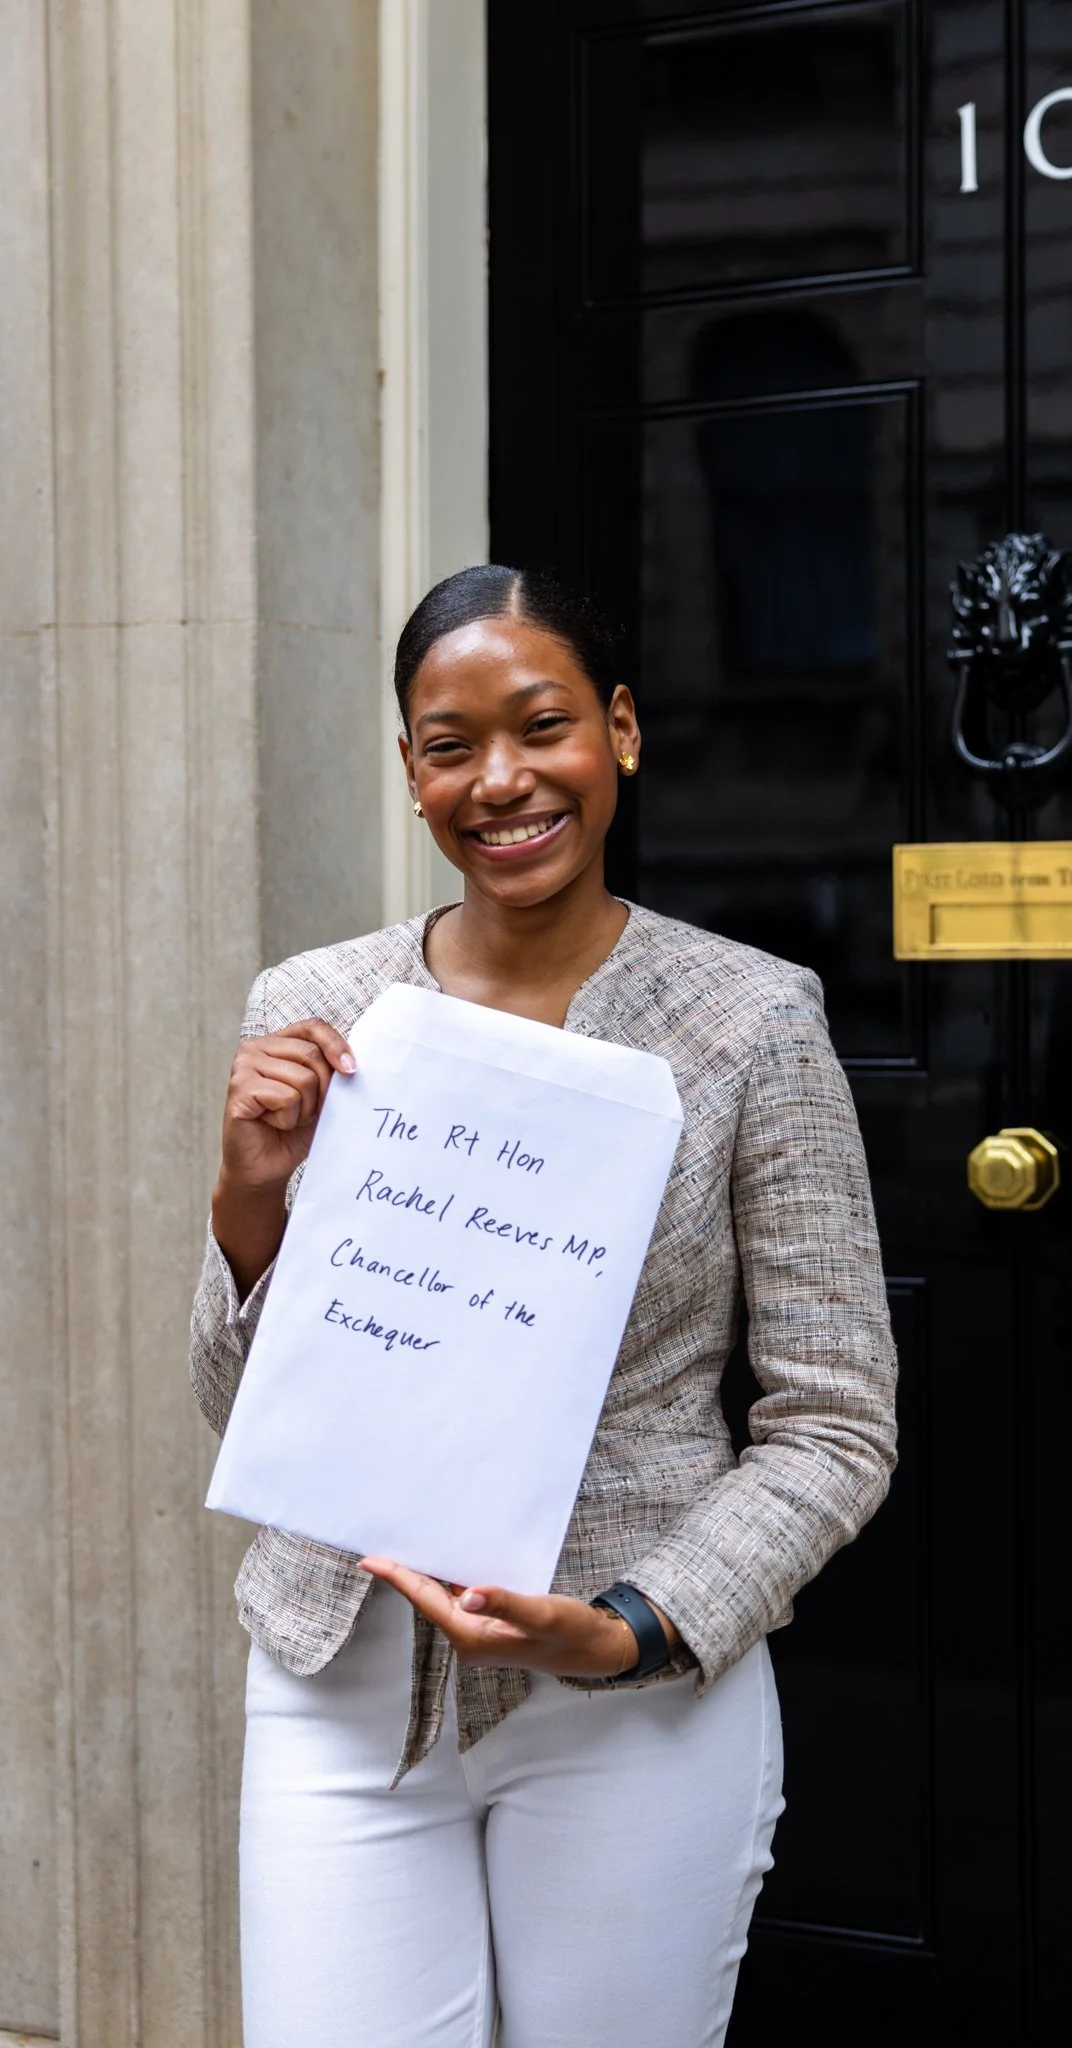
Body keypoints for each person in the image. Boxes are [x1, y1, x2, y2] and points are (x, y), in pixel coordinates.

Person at [190, 565, 898, 2048]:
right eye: (451, 746)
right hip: (336, 1670)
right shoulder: (319, 1008)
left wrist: (632, 1627)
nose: (501, 780)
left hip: (625, 1690)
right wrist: (250, 1206)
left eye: (542, 726)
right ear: (411, 771)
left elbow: (835, 1423)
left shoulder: (751, 1020)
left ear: (619, 729)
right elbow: (239, 1407)